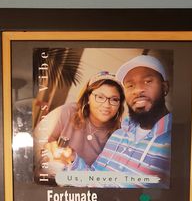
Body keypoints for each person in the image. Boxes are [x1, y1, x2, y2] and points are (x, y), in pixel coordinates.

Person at [58, 55, 172, 188]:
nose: (137, 90)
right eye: (130, 85)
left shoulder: (179, 142)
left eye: (148, 81)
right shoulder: (118, 135)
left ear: (165, 87)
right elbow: (93, 179)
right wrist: (73, 160)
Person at [34, 71, 125, 179]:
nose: (106, 105)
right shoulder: (68, 111)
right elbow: (36, 141)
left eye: (114, 99)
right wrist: (48, 154)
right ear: (88, 98)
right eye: (100, 97)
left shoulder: (119, 135)